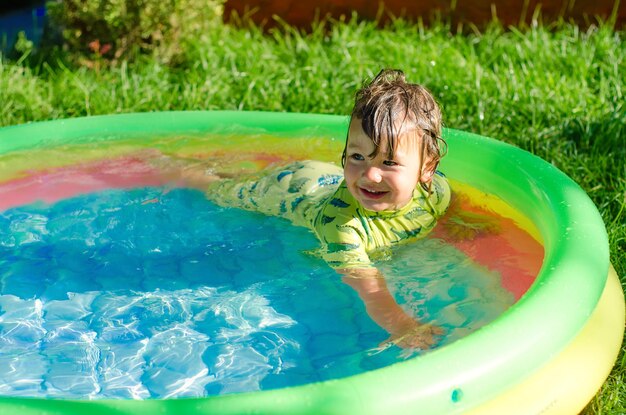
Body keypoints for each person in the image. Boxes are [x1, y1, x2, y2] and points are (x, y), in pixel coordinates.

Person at [154, 69, 451, 350]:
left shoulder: (436, 192)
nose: (370, 175)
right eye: (357, 156)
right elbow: (369, 286)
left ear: (426, 170)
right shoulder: (343, 227)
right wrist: (402, 325)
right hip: (289, 192)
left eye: (388, 163)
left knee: (243, 177)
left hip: (318, 176)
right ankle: (178, 170)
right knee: (221, 191)